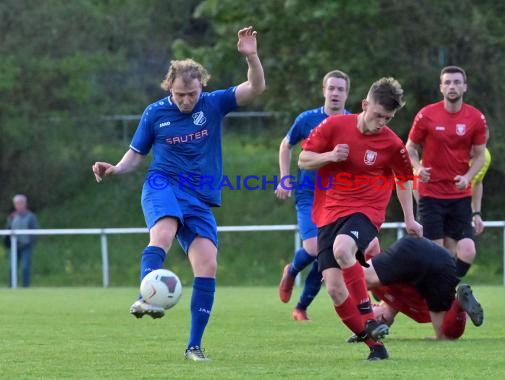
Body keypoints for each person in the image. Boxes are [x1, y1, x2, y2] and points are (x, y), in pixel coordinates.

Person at [92, 26, 265, 361]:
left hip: (199, 198)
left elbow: (256, 87)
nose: (186, 100)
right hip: (162, 184)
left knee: (208, 265)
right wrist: (114, 168)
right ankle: (146, 294)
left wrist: (252, 56)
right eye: (179, 94)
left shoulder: (214, 104)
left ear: (202, 87)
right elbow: (136, 156)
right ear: (169, 88)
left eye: (192, 94)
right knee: (164, 232)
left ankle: (194, 347)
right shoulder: (155, 113)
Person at [299, 77, 423, 361]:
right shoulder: (334, 126)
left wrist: (410, 218)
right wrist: (330, 156)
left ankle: (369, 318)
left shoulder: (392, 143)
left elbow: (404, 179)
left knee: (343, 249)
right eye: (378, 115)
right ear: (365, 104)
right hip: (329, 211)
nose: (382, 122)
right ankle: (376, 348)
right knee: (333, 288)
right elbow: (303, 159)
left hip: (367, 210)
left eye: (388, 118)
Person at [275, 70, 350, 321]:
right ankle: (292, 270)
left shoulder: (354, 122)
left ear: (347, 93)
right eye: (332, 88)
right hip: (308, 194)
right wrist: (285, 178)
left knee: (326, 258)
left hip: (339, 197)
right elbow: (287, 145)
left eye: (340, 89)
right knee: (314, 247)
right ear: (324, 91)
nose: (335, 93)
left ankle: (301, 307)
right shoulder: (308, 119)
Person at [406, 66, 487, 277]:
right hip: (431, 194)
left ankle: (447, 290)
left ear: (465, 87)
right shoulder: (426, 115)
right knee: (438, 253)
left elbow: (480, 156)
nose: (452, 86)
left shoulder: (476, 118)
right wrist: (418, 167)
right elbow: (410, 149)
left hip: (460, 196)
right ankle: (437, 296)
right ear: (441, 88)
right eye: (448, 82)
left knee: (467, 251)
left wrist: (468, 177)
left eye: (457, 82)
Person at [346, 236, 484, 343]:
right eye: (380, 324)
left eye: (372, 320)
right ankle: (459, 303)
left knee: (356, 282)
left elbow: (373, 242)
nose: (379, 321)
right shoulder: (417, 313)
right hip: (443, 263)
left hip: (412, 250)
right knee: (444, 336)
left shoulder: (378, 289)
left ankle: (332, 272)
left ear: (372, 305)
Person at [5, 194, 39, 287]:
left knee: (25, 266)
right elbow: (8, 231)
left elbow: (35, 231)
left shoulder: (31, 217)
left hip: (26, 246)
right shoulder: (12, 217)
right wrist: (8, 244)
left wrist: (31, 243)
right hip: (14, 246)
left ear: (25, 204)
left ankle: (25, 286)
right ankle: (11, 286)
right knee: (12, 267)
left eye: (20, 203)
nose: (18, 205)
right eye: (16, 203)